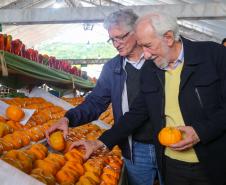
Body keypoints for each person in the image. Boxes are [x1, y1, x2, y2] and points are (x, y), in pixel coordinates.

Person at [71, 13, 226, 185]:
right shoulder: (152, 69)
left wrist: (200, 132)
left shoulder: (214, 55)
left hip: (214, 160)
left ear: (168, 37)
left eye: (148, 46)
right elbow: (137, 112)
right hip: (172, 164)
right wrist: (100, 142)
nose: (145, 55)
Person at [46, 9, 162, 185]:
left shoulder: (158, 60)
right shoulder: (113, 68)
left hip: (167, 143)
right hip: (134, 147)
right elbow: (95, 102)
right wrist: (68, 118)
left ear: (136, 31)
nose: (116, 44)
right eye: (112, 39)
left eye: (121, 37)